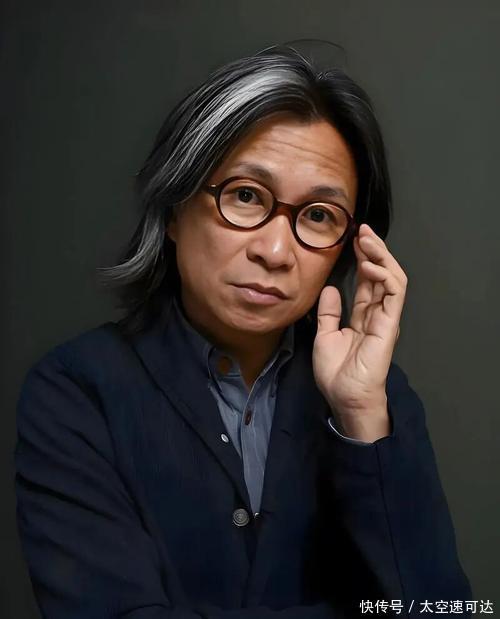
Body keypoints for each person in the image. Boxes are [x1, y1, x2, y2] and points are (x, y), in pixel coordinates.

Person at [14, 43, 472, 618]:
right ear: (175, 207)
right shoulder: (77, 392)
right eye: (246, 196)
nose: (276, 251)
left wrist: (360, 416)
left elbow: (443, 609)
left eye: (318, 215)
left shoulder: (378, 400)